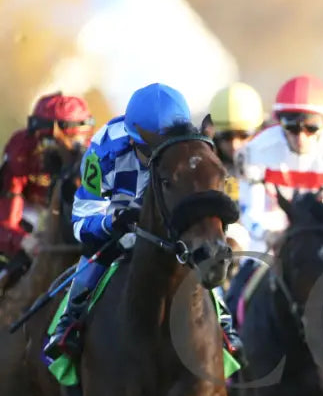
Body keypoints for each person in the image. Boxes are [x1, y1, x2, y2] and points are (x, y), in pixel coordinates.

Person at [43, 83, 243, 360]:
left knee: (202, 247)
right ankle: (70, 322)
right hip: (119, 220)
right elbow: (82, 217)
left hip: (168, 223)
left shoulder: (193, 150)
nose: (158, 160)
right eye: (151, 151)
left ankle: (224, 323)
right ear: (132, 140)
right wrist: (111, 223)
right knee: (95, 251)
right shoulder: (102, 150)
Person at [228, 74, 323, 306]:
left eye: (311, 127)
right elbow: (250, 210)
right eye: (291, 126)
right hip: (270, 241)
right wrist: (268, 235)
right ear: (279, 121)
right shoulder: (255, 150)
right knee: (235, 295)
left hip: (320, 239)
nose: (301, 137)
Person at [1, 93, 94, 262]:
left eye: (72, 142)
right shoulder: (21, 152)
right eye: (48, 141)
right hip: (30, 210)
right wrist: (21, 240)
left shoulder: (95, 154)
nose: (56, 151)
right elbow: (6, 222)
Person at [203, 82, 265, 253]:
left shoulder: (274, 159)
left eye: (244, 135)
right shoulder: (208, 166)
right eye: (226, 136)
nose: (235, 145)